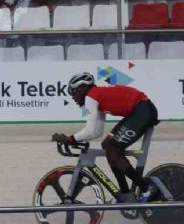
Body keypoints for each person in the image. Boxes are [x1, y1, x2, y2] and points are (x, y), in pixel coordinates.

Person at [52, 72, 159, 203]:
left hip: (142, 111)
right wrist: (74, 139)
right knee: (107, 145)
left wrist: (70, 139)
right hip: (141, 111)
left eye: (73, 93)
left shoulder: (91, 97)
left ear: (82, 88)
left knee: (112, 148)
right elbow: (96, 132)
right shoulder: (97, 96)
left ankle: (146, 188)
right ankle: (125, 195)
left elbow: (90, 130)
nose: (73, 98)